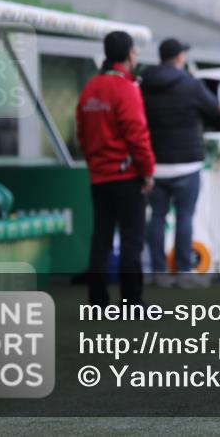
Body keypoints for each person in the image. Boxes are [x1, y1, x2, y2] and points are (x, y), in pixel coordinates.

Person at [77, 31, 155, 307]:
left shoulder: (90, 87)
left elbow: (82, 134)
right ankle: (132, 302)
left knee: (101, 239)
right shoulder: (126, 88)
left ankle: (97, 303)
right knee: (132, 240)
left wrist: (95, 165)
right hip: (126, 177)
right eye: (134, 51)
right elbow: (137, 135)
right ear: (129, 54)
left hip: (100, 177)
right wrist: (147, 172)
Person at [141, 38, 220, 289]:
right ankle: (184, 272)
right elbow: (215, 110)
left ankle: (158, 273)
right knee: (185, 217)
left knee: (157, 217)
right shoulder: (191, 83)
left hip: (155, 164)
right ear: (179, 57)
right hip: (187, 163)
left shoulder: (144, 84)